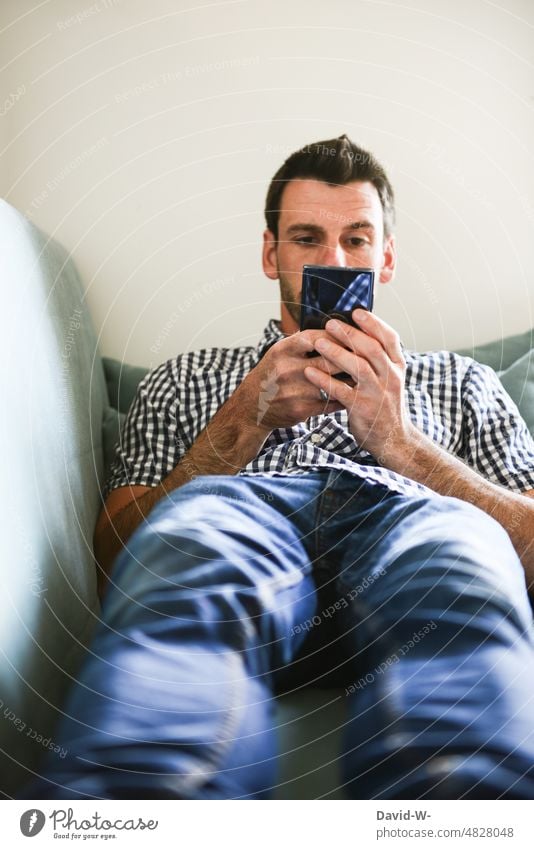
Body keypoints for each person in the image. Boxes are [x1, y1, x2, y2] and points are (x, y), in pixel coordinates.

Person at [27, 135, 534, 800]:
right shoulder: (188, 378)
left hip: (409, 516)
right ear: (271, 255)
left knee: (459, 556)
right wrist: (241, 422)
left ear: (385, 258)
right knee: (197, 546)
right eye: (306, 238)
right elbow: (113, 566)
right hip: (241, 509)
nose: (333, 260)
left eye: (357, 239)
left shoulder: (463, 383)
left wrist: (404, 447)